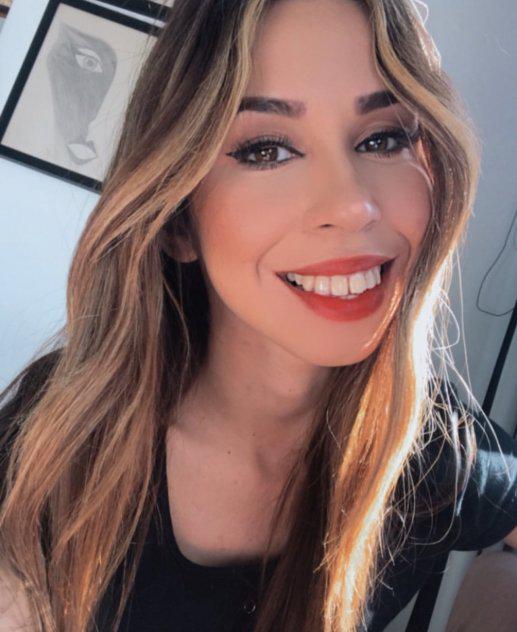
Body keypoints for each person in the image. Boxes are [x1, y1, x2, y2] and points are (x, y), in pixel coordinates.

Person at [0, 1, 516, 631]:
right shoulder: (63, 437)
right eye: (267, 150)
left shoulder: (433, 446)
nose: (353, 206)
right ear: (177, 221)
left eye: (383, 138)